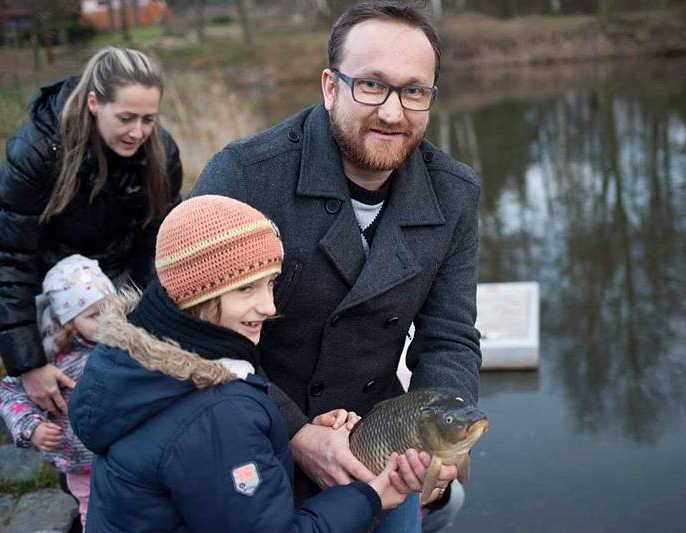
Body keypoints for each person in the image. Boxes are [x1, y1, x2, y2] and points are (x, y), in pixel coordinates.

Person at [191, 1, 481, 530]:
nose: (393, 113)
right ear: (330, 87)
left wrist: (442, 445)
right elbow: (196, 336)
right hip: (252, 424)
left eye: (414, 90)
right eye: (371, 85)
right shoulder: (245, 176)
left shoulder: (454, 194)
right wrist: (298, 434)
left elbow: (449, 337)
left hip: (378, 437)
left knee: (445, 501)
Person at [68, 195, 405, 532]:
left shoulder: (137, 367)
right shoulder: (218, 414)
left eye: (271, 283)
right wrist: (368, 496)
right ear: (195, 294)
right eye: (246, 288)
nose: (269, 306)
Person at [0, 46, 183, 419]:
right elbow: (10, 259)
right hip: (51, 293)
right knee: (61, 409)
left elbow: (158, 245)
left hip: (123, 284)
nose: (138, 132)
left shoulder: (161, 152)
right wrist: (28, 364)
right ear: (94, 102)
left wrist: (148, 324)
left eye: (149, 119)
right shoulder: (35, 152)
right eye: (126, 118)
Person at [0, 254, 116, 528]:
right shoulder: (50, 359)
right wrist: (31, 427)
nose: (107, 320)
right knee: (92, 514)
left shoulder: (123, 345)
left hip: (121, 456)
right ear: (67, 321)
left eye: (111, 309)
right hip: (79, 464)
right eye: (94, 315)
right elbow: (10, 393)